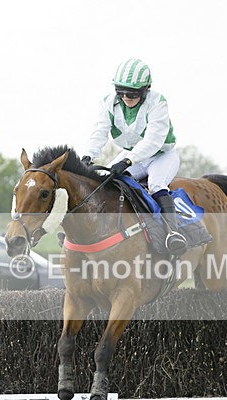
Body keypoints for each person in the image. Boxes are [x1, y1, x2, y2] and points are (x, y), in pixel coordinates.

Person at [82, 58, 188, 254]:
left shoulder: (158, 103)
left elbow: (153, 142)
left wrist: (127, 161)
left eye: (132, 93)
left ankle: (173, 233)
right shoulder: (108, 103)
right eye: (120, 91)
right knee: (103, 181)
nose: (125, 96)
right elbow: (100, 131)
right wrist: (88, 155)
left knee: (156, 184)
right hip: (132, 154)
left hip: (161, 155)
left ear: (146, 89)